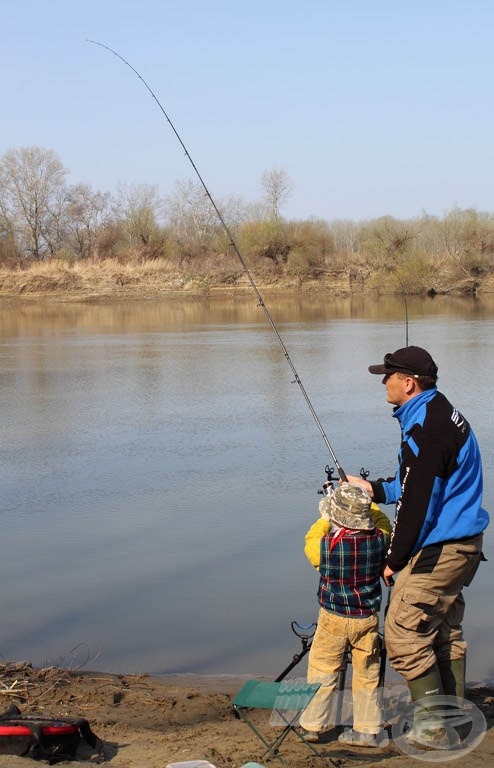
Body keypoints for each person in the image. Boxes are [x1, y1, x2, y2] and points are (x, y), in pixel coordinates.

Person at [347, 345, 489, 748]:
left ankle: (431, 729)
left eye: (388, 375)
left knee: (403, 632)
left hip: (443, 546)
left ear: (408, 383)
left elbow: (419, 504)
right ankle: (457, 718)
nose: (383, 382)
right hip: (462, 542)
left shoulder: (427, 428)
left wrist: (394, 559)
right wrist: (373, 489)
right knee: (442, 627)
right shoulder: (434, 413)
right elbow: (413, 484)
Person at [299, 482, 392, 747]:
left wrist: (325, 518)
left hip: (332, 617)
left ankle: (314, 724)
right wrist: (367, 503)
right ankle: (367, 728)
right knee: (367, 672)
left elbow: (310, 540)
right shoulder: (380, 539)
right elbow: (383, 521)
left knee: (322, 669)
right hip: (367, 618)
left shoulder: (324, 546)